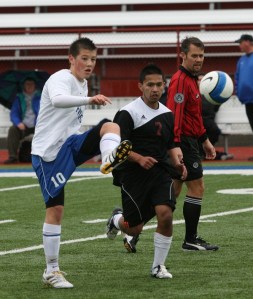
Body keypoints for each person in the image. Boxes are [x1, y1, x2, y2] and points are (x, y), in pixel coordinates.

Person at [31, 37, 132, 289]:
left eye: (93, 59)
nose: (89, 63)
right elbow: (57, 100)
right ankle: (51, 270)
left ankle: (109, 157)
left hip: (70, 145)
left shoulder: (84, 83)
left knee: (110, 125)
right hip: (48, 155)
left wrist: (89, 99)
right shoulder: (60, 78)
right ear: (71, 59)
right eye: (84, 58)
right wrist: (89, 100)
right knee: (55, 210)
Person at [106, 64, 187, 279]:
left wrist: (178, 161)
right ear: (140, 86)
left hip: (160, 171)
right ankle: (116, 220)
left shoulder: (167, 113)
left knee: (166, 214)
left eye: (159, 84)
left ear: (164, 85)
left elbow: (170, 144)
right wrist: (139, 158)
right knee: (134, 229)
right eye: (150, 84)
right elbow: (116, 146)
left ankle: (158, 266)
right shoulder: (127, 113)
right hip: (132, 175)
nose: (155, 89)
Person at [166, 36, 219, 251]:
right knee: (197, 187)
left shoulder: (192, 80)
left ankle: (130, 225)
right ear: (183, 55)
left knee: (171, 192)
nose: (198, 59)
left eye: (201, 55)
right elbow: (175, 116)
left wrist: (205, 140)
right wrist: (175, 144)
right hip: (183, 143)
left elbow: (194, 116)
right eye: (194, 55)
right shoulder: (180, 81)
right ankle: (190, 239)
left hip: (190, 141)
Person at [197, 73, 233, 161]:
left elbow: (215, 108)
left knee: (215, 131)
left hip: (209, 121)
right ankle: (201, 153)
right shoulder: (193, 94)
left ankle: (204, 152)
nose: (200, 82)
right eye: (199, 80)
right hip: (197, 120)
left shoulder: (212, 96)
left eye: (202, 80)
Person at [4, 77, 41, 164]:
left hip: (38, 125)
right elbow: (14, 113)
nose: (29, 86)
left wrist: (39, 123)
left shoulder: (41, 96)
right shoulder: (19, 97)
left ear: (35, 85)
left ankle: (47, 156)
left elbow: (44, 112)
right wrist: (18, 123)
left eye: (31, 84)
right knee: (13, 129)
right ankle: (13, 157)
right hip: (24, 126)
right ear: (24, 86)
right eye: (27, 84)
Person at [234, 34, 253, 161]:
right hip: (247, 101)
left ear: (248, 42)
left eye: (241, 42)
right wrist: (238, 92)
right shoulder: (241, 60)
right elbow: (237, 77)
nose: (239, 45)